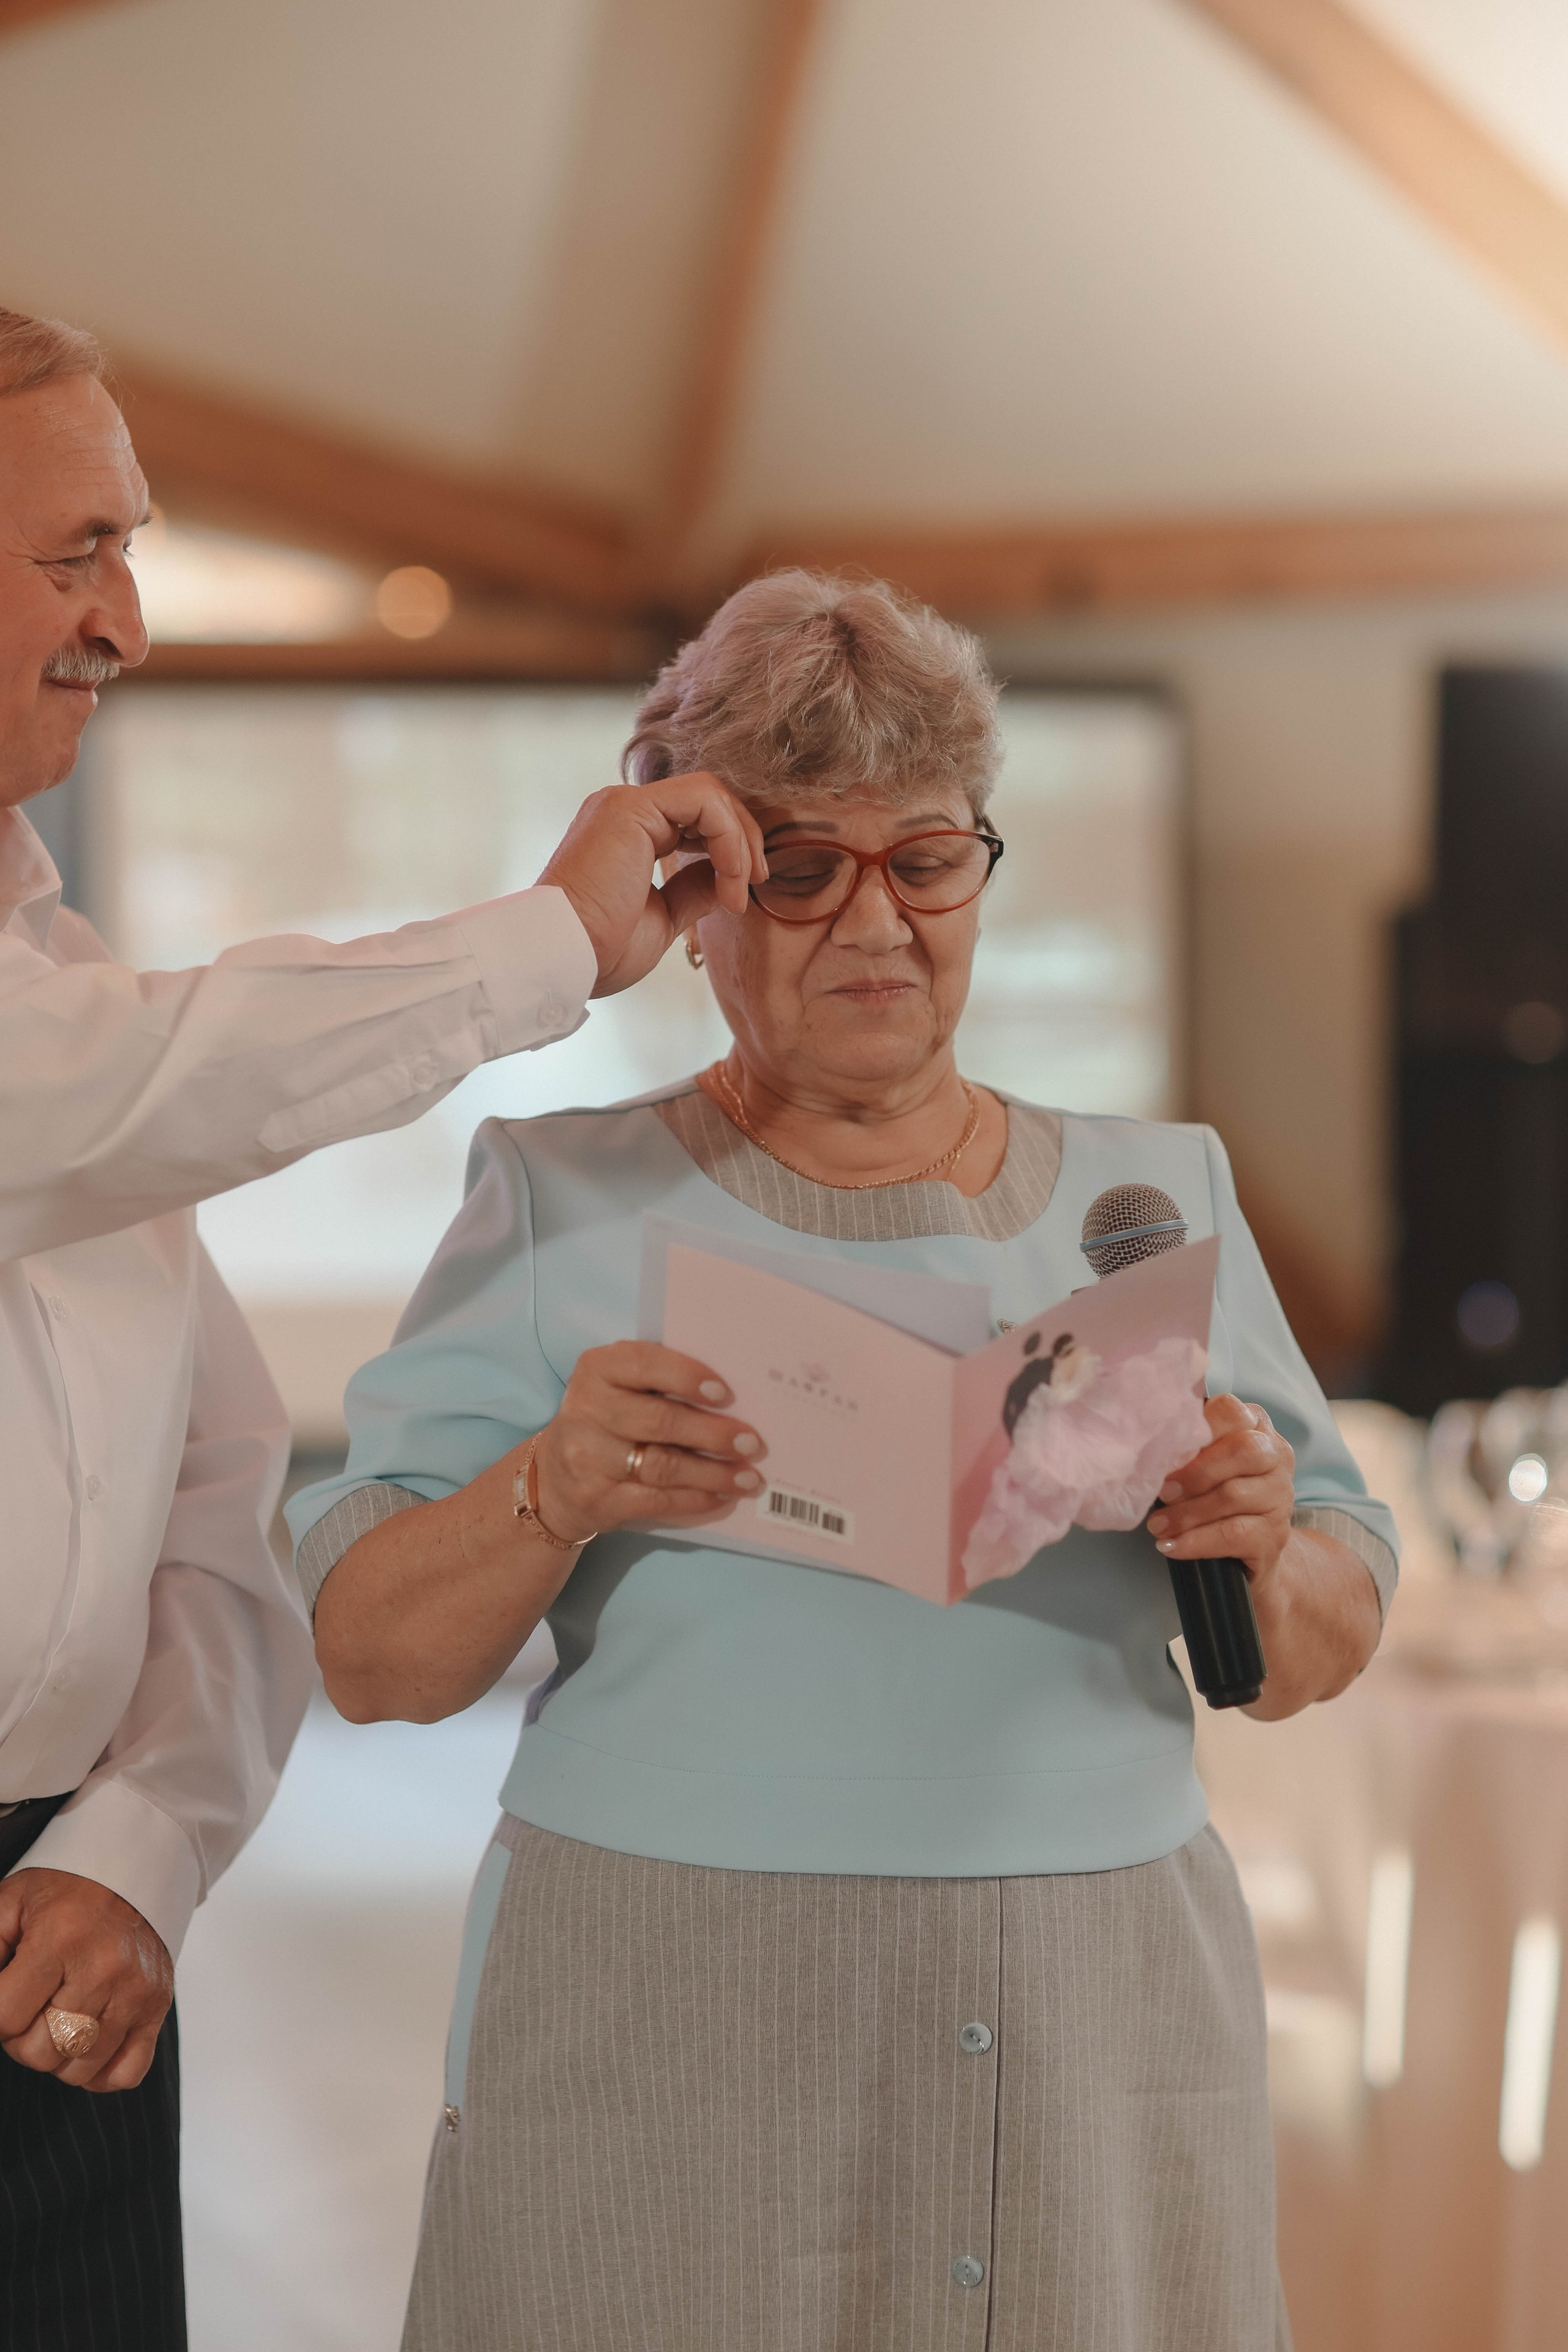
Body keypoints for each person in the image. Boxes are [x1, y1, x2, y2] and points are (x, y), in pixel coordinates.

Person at [292, 570, 1397, 2352]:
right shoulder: (560, 1195)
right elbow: (369, 1658)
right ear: (697, 903)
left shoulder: (1157, 1197)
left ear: (980, 872)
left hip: (1093, 2023)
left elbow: (1327, 1637)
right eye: (800, 868)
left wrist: (1268, 1543)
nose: (875, 920)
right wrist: (554, 1486)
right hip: (665, 2017)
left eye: (927, 859)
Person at [0, 303, 764, 2352]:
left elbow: (218, 1500)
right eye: (76, 553)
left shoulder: (58, 970)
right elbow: (99, 1093)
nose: (127, 621)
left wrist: (140, 1848)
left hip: (60, 1966)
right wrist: (553, 941)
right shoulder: (81, 1058)